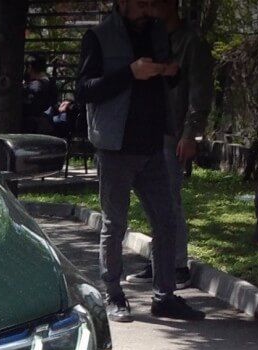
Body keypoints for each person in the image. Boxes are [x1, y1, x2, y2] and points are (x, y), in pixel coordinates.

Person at [76, 0, 204, 322]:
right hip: (115, 148)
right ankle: (114, 295)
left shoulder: (157, 33)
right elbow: (85, 90)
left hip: (153, 146)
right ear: (122, 3)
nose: (148, 8)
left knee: (166, 220)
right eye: (141, 2)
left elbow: (169, 82)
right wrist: (130, 73)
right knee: (114, 224)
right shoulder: (99, 36)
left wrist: (170, 72)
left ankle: (164, 296)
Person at [127, 0, 214, 289]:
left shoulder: (191, 43)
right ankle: (160, 261)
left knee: (169, 201)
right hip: (147, 131)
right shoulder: (151, 39)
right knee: (153, 201)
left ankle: (177, 265)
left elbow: (199, 94)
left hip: (172, 132)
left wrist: (190, 134)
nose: (149, 7)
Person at [22, 56, 58, 135]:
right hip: (46, 125)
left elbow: (28, 107)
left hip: (31, 128)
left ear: (30, 67)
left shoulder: (35, 86)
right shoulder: (51, 83)